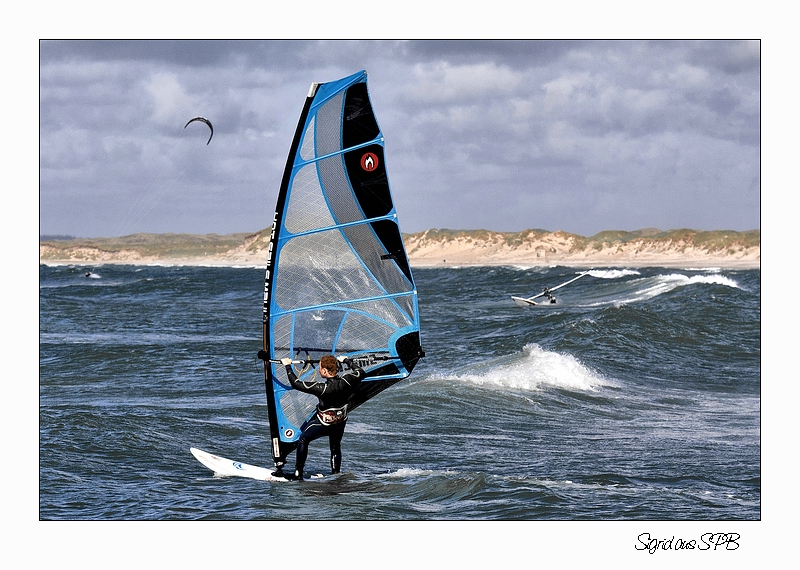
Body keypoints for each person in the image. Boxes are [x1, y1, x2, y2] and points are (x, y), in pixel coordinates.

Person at [273, 354, 364, 481]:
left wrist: (288, 366)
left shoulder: (322, 388)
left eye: (320, 368)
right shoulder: (347, 381)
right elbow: (360, 371)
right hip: (339, 423)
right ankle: (335, 474)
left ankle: (298, 474)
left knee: (303, 439)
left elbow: (295, 383)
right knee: (335, 446)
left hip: (324, 424)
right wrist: (346, 361)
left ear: (325, 371)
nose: (319, 370)